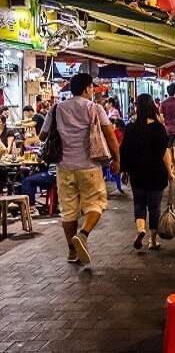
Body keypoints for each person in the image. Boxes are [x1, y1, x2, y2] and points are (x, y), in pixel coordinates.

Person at [39, 73, 121, 264]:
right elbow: (110, 137)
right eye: (92, 87)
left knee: (68, 211)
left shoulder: (57, 108)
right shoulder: (95, 108)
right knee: (96, 204)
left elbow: (43, 136)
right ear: (86, 89)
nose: (93, 91)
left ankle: (71, 251)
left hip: (64, 167)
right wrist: (116, 159)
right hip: (89, 166)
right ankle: (82, 235)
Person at [120, 94, 174, 251]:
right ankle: (153, 240)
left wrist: (125, 171)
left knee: (139, 203)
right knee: (155, 207)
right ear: (152, 107)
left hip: (137, 173)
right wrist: (170, 172)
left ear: (137, 108)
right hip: (157, 174)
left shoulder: (131, 128)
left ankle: (140, 229)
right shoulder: (158, 128)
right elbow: (165, 153)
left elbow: (125, 151)